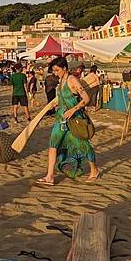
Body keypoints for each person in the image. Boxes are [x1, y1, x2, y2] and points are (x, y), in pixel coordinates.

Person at [37, 57, 100, 185]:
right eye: (53, 70)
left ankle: (94, 170)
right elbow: (62, 98)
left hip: (73, 119)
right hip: (60, 119)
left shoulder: (72, 80)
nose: (55, 73)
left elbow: (86, 98)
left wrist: (73, 110)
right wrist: (55, 104)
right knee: (53, 144)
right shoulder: (61, 81)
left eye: (57, 70)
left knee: (83, 145)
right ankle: (49, 176)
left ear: (64, 68)